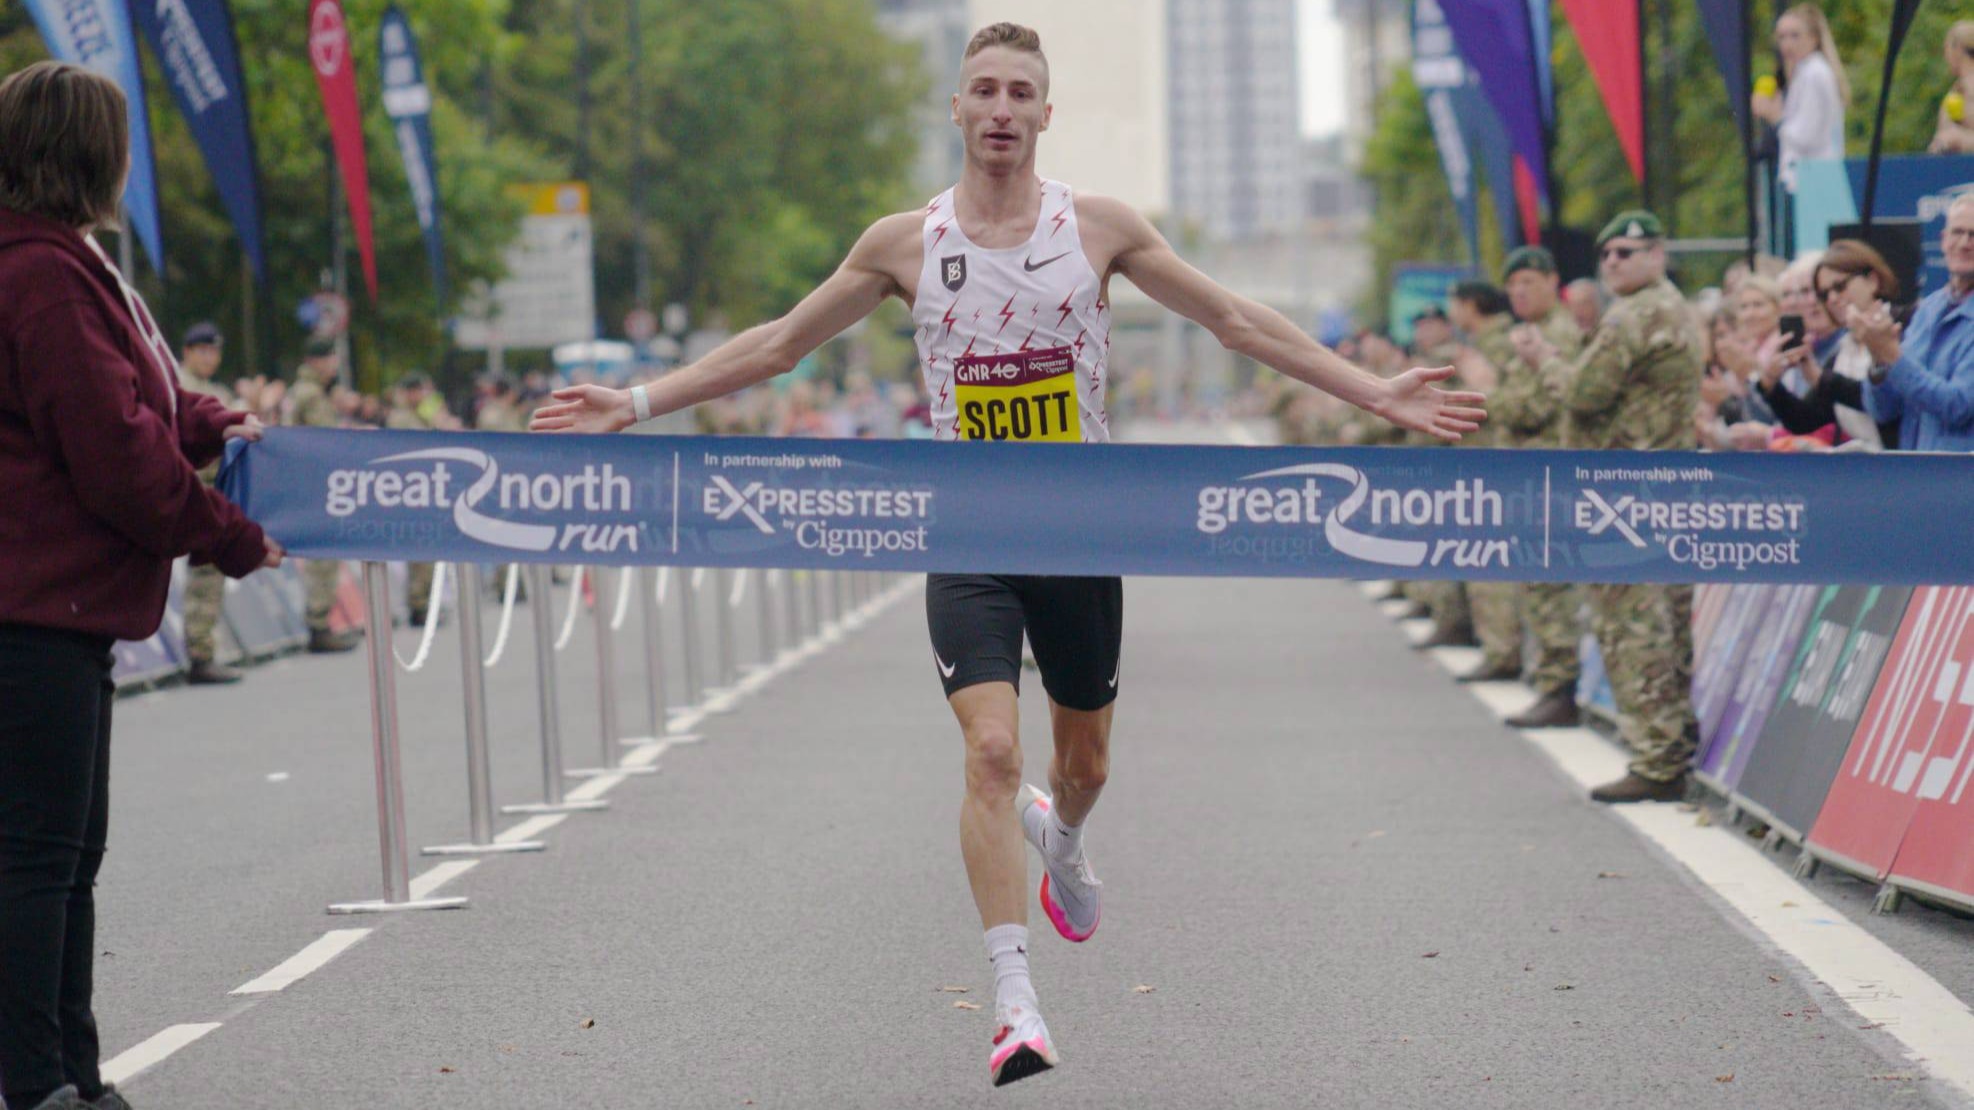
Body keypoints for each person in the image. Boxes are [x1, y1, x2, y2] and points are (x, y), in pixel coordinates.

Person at [531, 21, 1483, 1087]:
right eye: (980, 89)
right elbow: (782, 344)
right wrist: (640, 400)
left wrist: (1376, 391)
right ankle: (1014, 1001)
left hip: (1079, 531)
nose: (997, 108)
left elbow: (1233, 321)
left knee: (1085, 764)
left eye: (1017, 92)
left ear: (1042, 113)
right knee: (991, 753)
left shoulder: (1101, 227)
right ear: (956, 110)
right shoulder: (904, 243)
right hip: (969, 531)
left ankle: (1064, 842)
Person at [0, 62, 280, 1110]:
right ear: (91, 156)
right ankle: (38, 1083)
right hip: (35, 607)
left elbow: (137, 397)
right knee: (39, 859)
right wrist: (234, 538)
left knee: (67, 857)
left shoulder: (61, 262)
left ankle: (73, 1069)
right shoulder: (43, 272)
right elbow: (111, 449)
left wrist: (211, 423)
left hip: (57, 609)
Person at [1512, 210, 1700, 804]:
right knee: (1663, 624)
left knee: (1633, 627)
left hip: (1626, 491)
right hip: (1664, 485)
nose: (1613, 261)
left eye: (1626, 251)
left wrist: (1546, 361)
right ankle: (1667, 747)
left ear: (1657, 253)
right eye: (1607, 254)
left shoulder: (1637, 314)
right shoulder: (1674, 309)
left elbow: (1584, 392)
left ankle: (1657, 756)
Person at [1490, 247, 1587, 727]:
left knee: (1552, 586)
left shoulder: (1560, 336)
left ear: (1553, 282)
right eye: (1512, 285)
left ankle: (1560, 686)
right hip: (1527, 475)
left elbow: (1530, 407)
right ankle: (1550, 679)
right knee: (1536, 583)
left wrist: (1493, 395)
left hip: (1554, 475)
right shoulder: (1526, 336)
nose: (1519, 292)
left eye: (1528, 281)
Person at [1446, 281, 1521, 680]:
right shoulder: (1479, 344)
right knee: (1480, 559)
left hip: (1494, 464)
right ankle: (1496, 646)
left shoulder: (1498, 345)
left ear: (1471, 304)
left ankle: (1503, 650)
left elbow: (1504, 401)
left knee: (1492, 562)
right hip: (1479, 463)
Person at [1860, 193, 1974, 452]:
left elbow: (1957, 406)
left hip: (1962, 479)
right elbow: (1883, 411)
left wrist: (1892, 355)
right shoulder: (1927, 309)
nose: (1965, 243)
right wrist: (1879, 362)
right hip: (1916, 474)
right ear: (1943, 240)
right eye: (1958, 232)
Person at [175, 322, 246, 684]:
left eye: (213, 351)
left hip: (213, 491)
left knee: (209, 572)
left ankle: (202, 652)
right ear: (187, 351)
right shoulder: (177, 384)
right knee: (202, 573)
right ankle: (198, 653)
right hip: (186, 488)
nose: (208, 357)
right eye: (201, 350)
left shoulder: (216, 390)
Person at [287, 338, 361, 653]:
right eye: (331, 359)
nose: (334, 366)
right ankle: (318, 624)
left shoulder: (307, 391)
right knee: (323, 555)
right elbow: (325, 436)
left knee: (324, 555)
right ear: (316, 361)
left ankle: (321, 622)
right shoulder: (311, 394)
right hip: (316, 480)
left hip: (311, 479)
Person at [1751, 3, 1847, 193]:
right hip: (1813, 179)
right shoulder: (1806, 73)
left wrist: (1775, 117)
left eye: (1795, 35)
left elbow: (1805, 136)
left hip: (1812, 182)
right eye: (1782, 37)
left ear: (1814, 38)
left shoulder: (1813, 74)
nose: (1787, 44)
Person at [1927, 21, 1974, 156]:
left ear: (1957, 49)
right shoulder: (1957, 90)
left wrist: (1960, 139)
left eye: (1946, 49)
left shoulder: (1969, 86)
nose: (1945, 56)